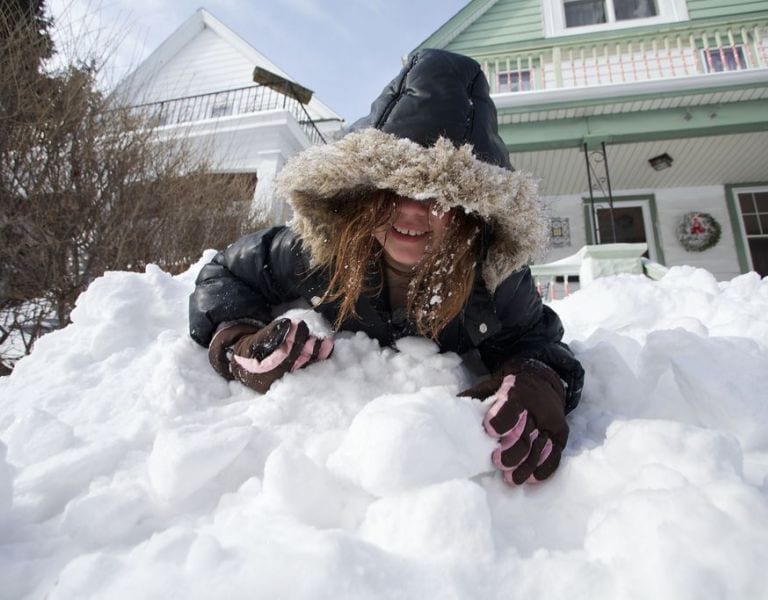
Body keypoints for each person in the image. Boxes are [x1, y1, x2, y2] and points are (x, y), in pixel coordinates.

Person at [189, 49, 584, 484]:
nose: (411, 213)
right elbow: (226, 271)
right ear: (361, 195)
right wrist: (236, 343)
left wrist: (539, 380)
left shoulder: (492, 277)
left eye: (439, 196)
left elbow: (538, 341)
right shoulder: (321, 250)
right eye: (393, 189)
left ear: (471, 211)